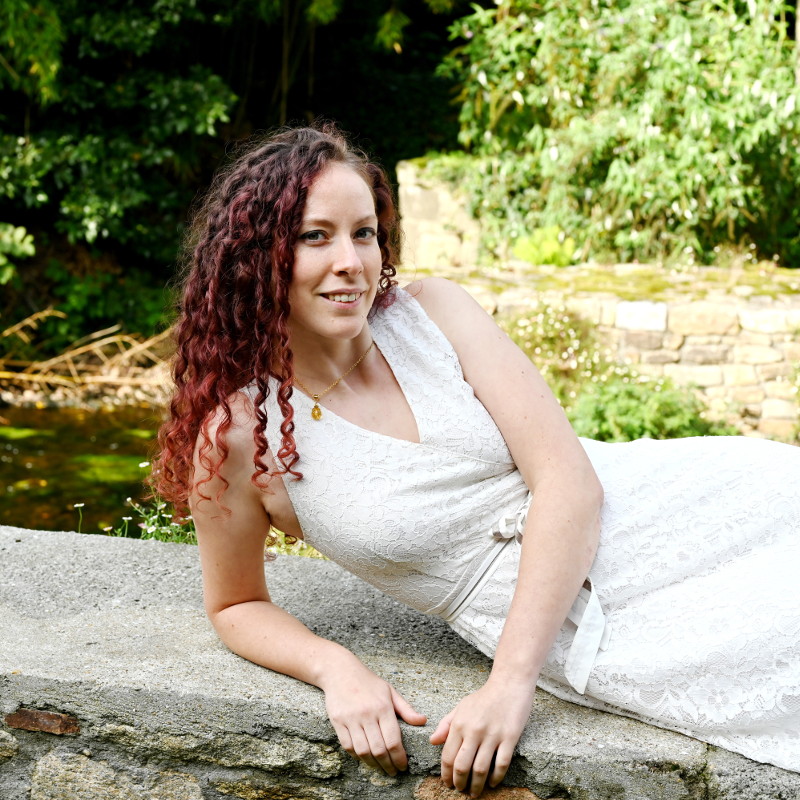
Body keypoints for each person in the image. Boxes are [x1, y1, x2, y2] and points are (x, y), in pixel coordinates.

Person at [154, 123, 800, 797]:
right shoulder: (238, 433)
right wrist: (334, 668)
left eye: (365, 233)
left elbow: (568, 481)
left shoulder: (435, 311)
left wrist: (509, 684)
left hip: (661, 508)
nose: (350, 260)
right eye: (316, 236)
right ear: (258, 256)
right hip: (589, 622)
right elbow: (235, 604)